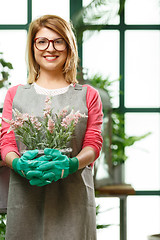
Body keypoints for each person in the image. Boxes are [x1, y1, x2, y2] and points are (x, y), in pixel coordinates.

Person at [0, 15, 103, 240]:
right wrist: (18, 163)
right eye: (42, 41)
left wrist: (71, 163)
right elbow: (6, 143)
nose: (50, 48)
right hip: (27, 198)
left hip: (72, 199)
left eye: (58, 41)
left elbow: (94, 144)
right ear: (33, 47)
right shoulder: (15, 95)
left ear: (68, 46)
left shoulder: (88, 95)